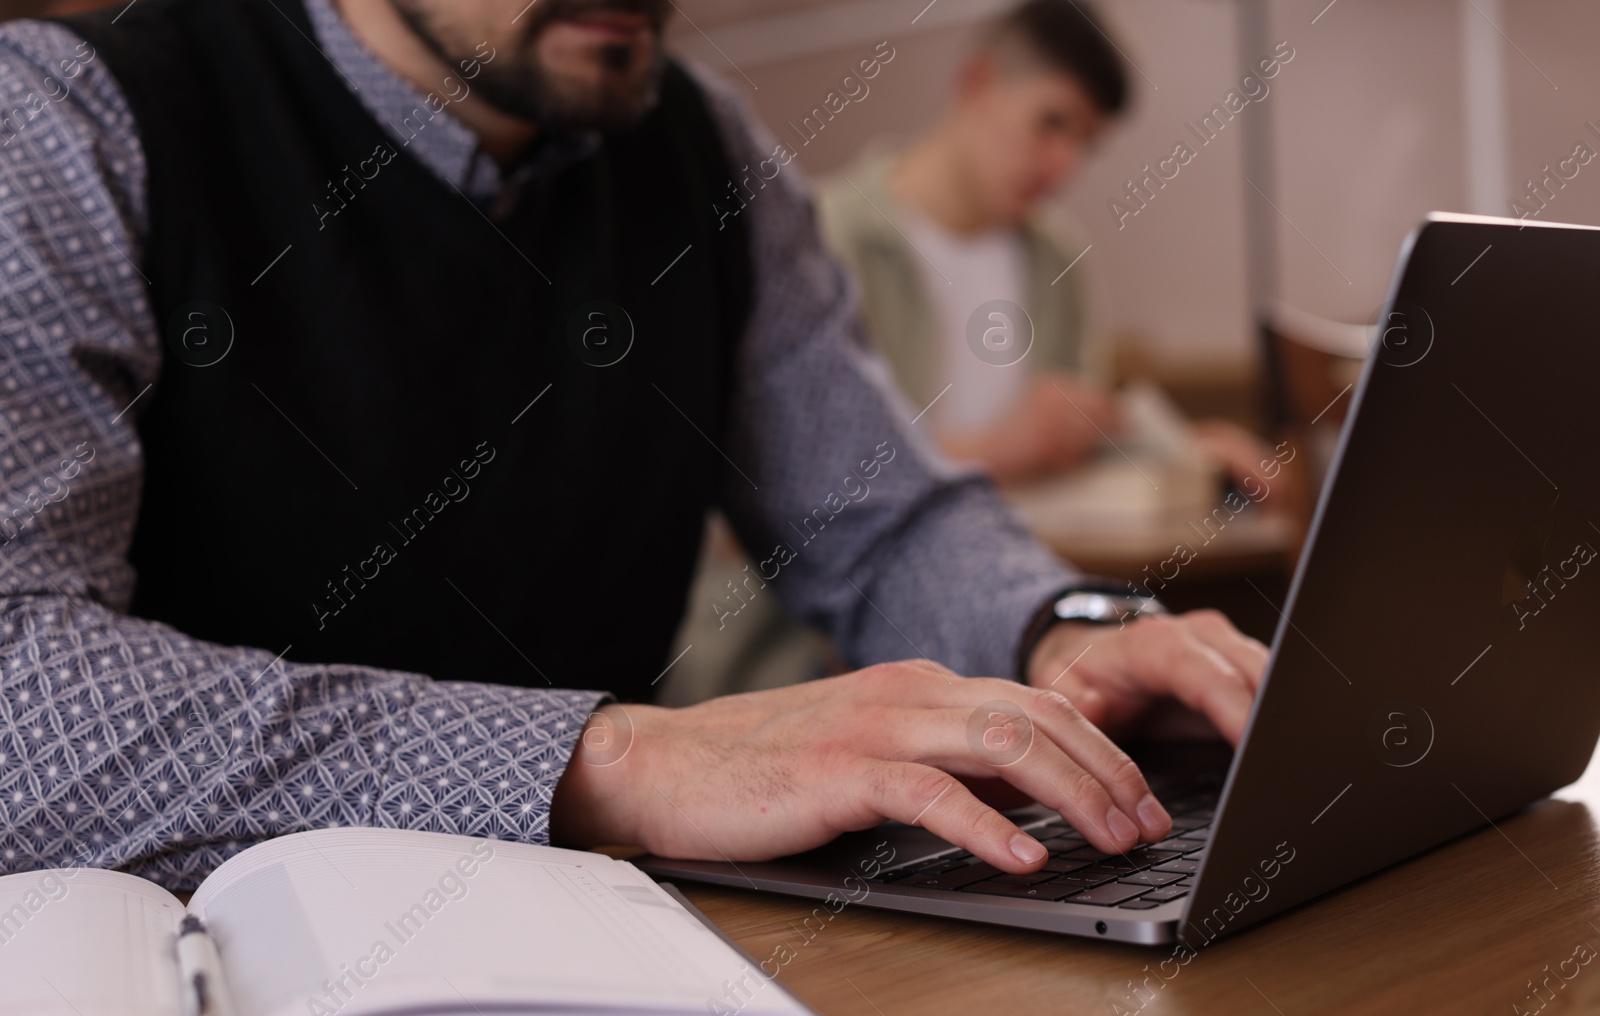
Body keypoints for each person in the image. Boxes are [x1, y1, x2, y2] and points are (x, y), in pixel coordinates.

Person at [0, 0, 1267, 891]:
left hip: (613, 942)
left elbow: (877, 517)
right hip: (211, 972)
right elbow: (18, 685)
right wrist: (612, 756)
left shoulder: (702, 147)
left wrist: (1064, 628)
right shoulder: (72, 118)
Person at [817, 0, 1272, 488]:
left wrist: (1188, 452)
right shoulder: (823, 237)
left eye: (1085, 144)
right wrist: (991, 450)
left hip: (1034, 555)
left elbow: (1077, 448)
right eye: (1052, 122)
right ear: (977, 83)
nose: (1065, 167)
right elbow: (804, 479)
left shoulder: (1060, 260)